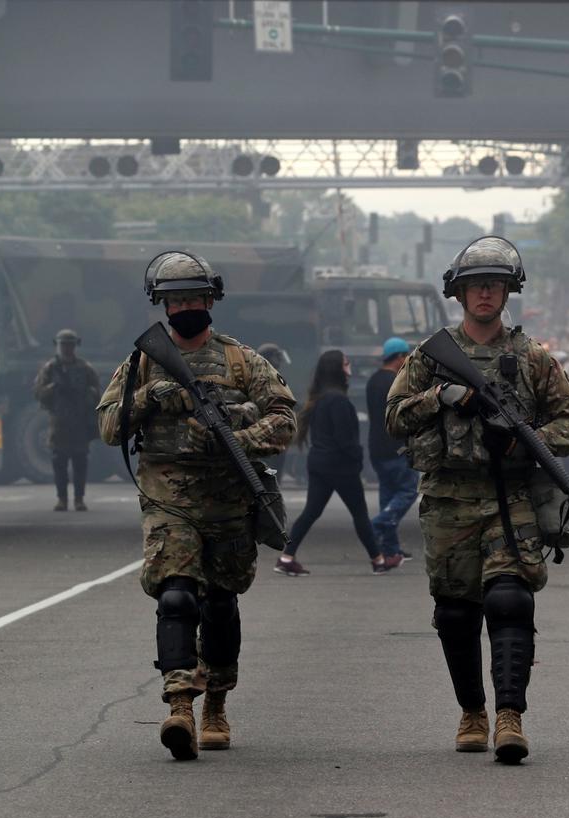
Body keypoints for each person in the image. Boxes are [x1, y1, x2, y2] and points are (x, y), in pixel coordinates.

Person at [386, 236, 569, 764]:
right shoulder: (430, 357)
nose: (485, 295)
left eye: (494, 286)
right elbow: (394, 419)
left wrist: (524, 439)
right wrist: (440, 395)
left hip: (510, 496)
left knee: (510, 600)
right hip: (449, 498)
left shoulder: (532, 358)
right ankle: (472, 711)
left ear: (508, 292)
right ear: (459, 293)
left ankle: (509, 715)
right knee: (455, 614)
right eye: (476, 286)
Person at [97, 251, 296, 761]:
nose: (185, 306)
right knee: (177, 597)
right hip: (170, 500)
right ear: (162, 305)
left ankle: (217, 705)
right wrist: (151, 398)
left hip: (229, 502)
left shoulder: (242, 361)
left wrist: (240, 436)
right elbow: (107, 427)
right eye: (175, 300)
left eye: (193, 297)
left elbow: (286, 419)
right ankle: (180, 704)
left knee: (221, 605)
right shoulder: (143, 362)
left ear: (211, 300)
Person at [274, 350, 386, 577]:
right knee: (359, 513)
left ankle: (286, 558)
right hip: (340, 466)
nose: (350, 368)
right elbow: (346, 440)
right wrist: (358, 459)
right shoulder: (339, 401)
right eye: (346, 364)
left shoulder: (321, 398)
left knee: (311, 512)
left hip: (319, 463)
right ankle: (379, 560)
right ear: (338, 369)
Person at [33, 329, 101, 511]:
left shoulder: (85, 368)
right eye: (63, 345)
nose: (66, 348)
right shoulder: (50, 368)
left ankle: (79, 499)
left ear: (75, 346)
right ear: (58, 346)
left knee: (80, 463)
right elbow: (38, 392)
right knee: (59, 463)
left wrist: (87, 396)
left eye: (70, 344)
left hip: (79, 421)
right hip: (59, 422)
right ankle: (62, 499)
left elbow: (97, 391)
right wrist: (53, 387)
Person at [367, 337, 418, 567]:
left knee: (388, 495)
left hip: (376, 448)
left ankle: (390, 550)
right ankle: (379, 523)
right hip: (395, 446)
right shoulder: (396, 382)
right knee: (408, 491)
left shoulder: (373, 380)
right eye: (406, 357)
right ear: (399, 358)